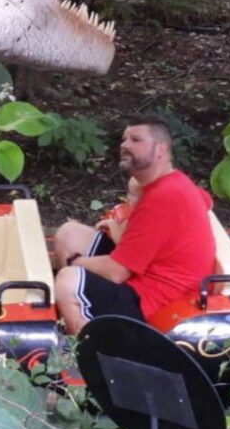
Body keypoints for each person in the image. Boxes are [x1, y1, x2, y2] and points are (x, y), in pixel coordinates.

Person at [51, 117, 216, 335]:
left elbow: (115, 273)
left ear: (160, 150)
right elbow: (206, 200)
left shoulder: (164, 197)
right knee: (69, 234)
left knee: (67, 280)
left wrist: (76, 262)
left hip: (155, 300)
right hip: (145, 272)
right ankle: (77, 312)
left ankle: (86, 348)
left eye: (136, 139)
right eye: (124, 139)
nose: (125, 145)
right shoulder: (171, 182)